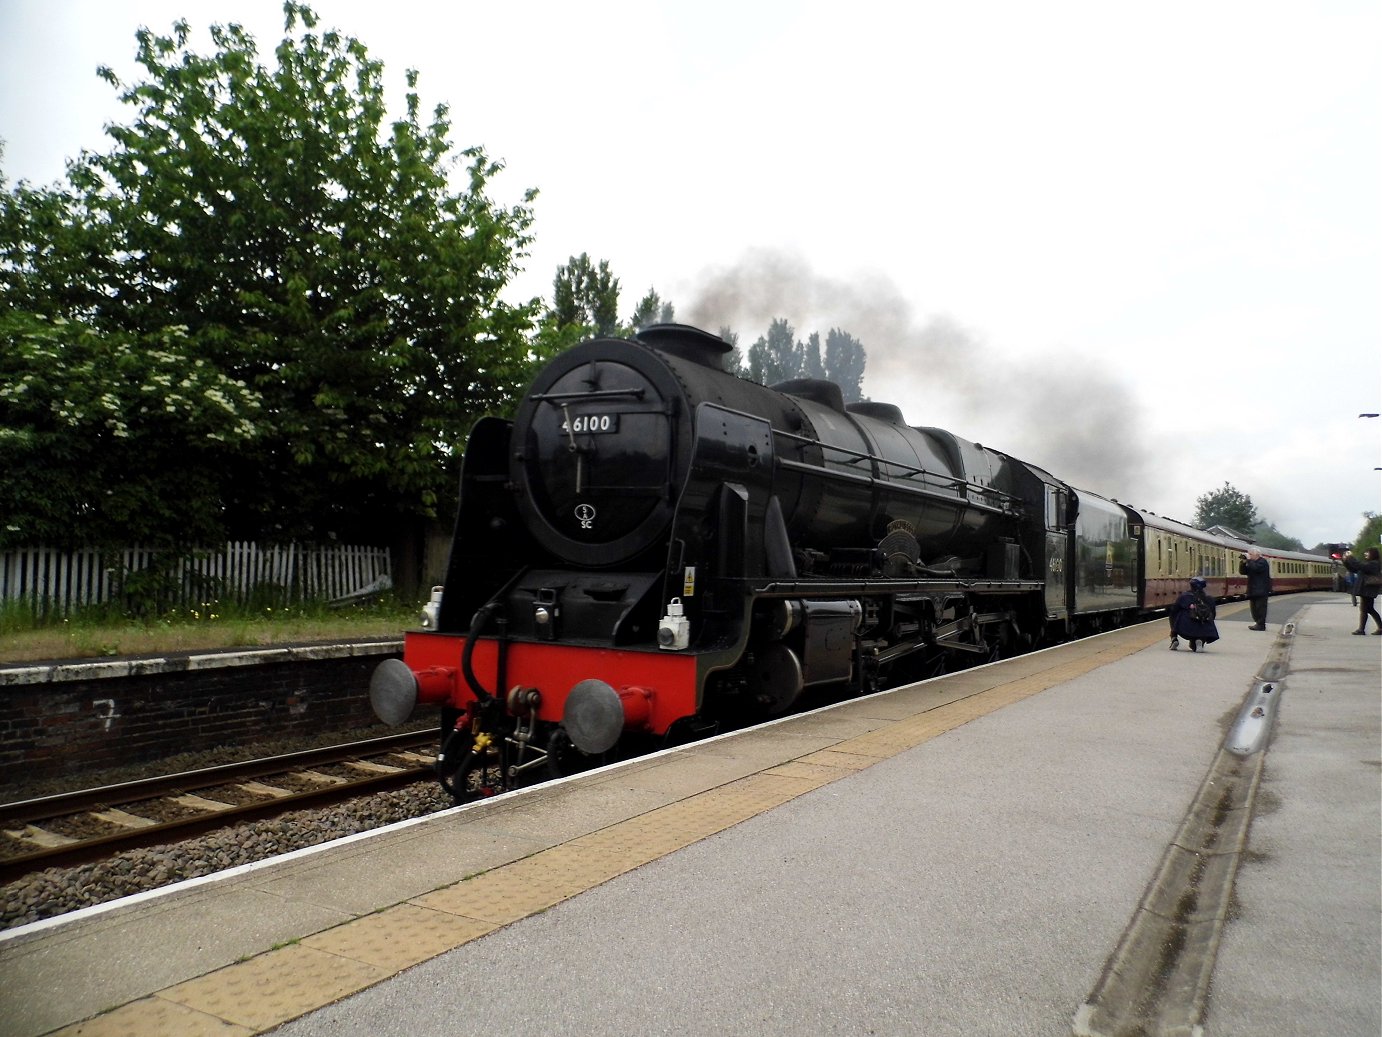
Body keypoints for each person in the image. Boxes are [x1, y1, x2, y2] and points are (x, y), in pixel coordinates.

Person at [1169, 576, 1220, 652]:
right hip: (1205, 630)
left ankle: (1174, 639)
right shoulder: (1209, 599)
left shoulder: (1184, 597)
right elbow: (1213, 614)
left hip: (1185, 629)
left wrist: (1173, 625)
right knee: (1194, 645)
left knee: (1178, 614)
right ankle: (1200, 641)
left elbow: (1174, 611)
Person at [1341, 547, 1382, 634]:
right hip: (1366, 589)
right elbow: (1354, 569)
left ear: (1373, 554)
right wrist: (1345, 561)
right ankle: (1378, 628)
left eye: (1367, 552)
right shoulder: (1369, 564)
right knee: (1369, 609)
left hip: (1368, 589)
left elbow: (1359, 566)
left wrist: (1350, 557)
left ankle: (1361, 629)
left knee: (1365, 609)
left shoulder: (1374, 564)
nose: (1365, 554)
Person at [1239, 548, 1272, 630]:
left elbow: (1256, 568)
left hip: (1261, 590)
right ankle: (1258, 623)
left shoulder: (1262, 562)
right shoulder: (1252, 563)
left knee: (1260, 609)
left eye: (1250, 554)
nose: (1249, 556)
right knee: (1254, 609)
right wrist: (1243, 563)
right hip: (1253, 590)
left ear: (1257, 554)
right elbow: (1243, 572)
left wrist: (1249, 561)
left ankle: (1261, 625)